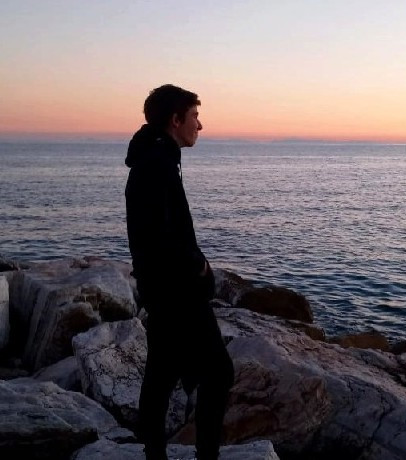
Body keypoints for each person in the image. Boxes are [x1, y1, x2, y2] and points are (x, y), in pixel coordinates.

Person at [125, 84, 234, 460]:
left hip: (161, 290)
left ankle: (154, 452)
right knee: (218, 373)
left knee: (162, 371)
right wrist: (199, 267)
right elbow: (161, 235)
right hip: (177, 293)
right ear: (175, 120)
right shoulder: (157, 164)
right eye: (194, 117)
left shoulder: (155, 158)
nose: (199, 125)